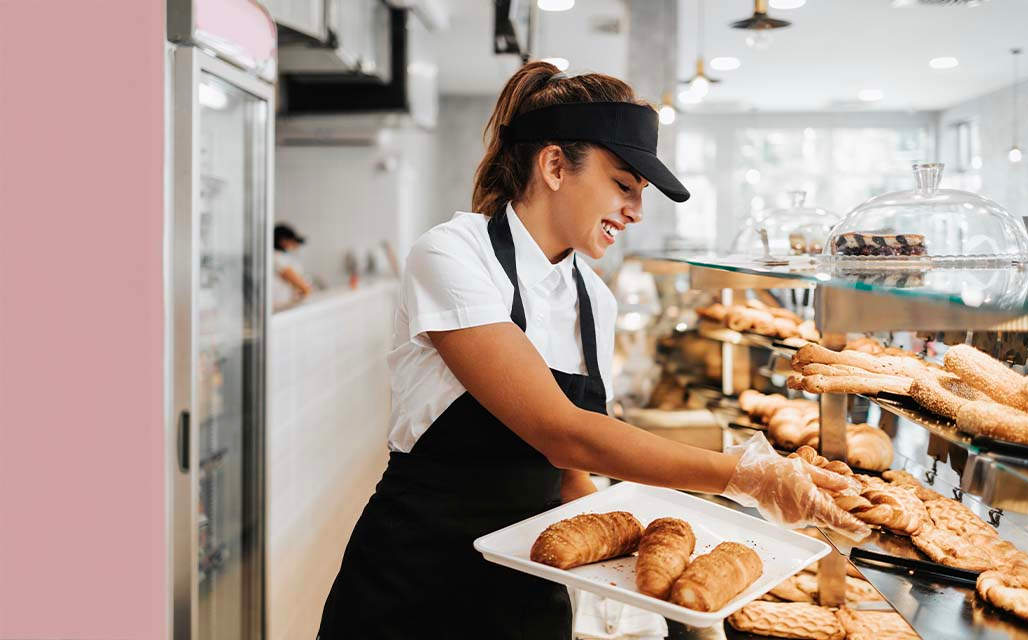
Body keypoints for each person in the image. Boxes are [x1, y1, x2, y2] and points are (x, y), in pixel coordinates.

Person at [316, 62, 864, 640]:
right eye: (623, 185)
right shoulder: (454, 256)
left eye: (641, 194)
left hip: (534, 568)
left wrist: (630, 582)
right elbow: (563, 431)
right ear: (554, 165)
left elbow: (571, 471)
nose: (636, 211)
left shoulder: (593, 299)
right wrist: (743, 476)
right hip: (418, 574)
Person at [273, 223, 312, 308]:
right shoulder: (277, 258)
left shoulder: (282, 257)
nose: (294, 245)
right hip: (280, 305)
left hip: (284, 304)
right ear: (283, 240)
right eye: (291, 240)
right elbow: (301, 285)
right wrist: (305, 290)